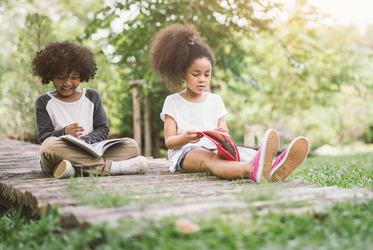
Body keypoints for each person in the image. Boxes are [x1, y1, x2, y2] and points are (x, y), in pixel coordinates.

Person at [149, 23, 309, 182]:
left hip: (215, 148)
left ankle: (274, 166)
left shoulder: (215, 100)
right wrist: (186, 137)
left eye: (207, 74)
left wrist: (221, 135)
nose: (202, 80)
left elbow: (224, 131)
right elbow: (169, 142)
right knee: (213, 160)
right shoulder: (173, 102)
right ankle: (250, 170)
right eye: (196, 74)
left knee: (244, 153)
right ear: (182, 75)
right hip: (186, 152)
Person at [31, 41, 148, 179]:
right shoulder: (43, 102)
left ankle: (73, 169)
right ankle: (113, 168)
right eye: (61, 78)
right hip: (59, 153)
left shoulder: (92, 96)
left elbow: (103, 129)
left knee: (131, 146)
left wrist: (86, 140)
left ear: (82, 75)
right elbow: (44, 136)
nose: (67, 83)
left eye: (74, 78)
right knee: (49, 146)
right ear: (50, 76)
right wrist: (64, 132)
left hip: (91, 150)